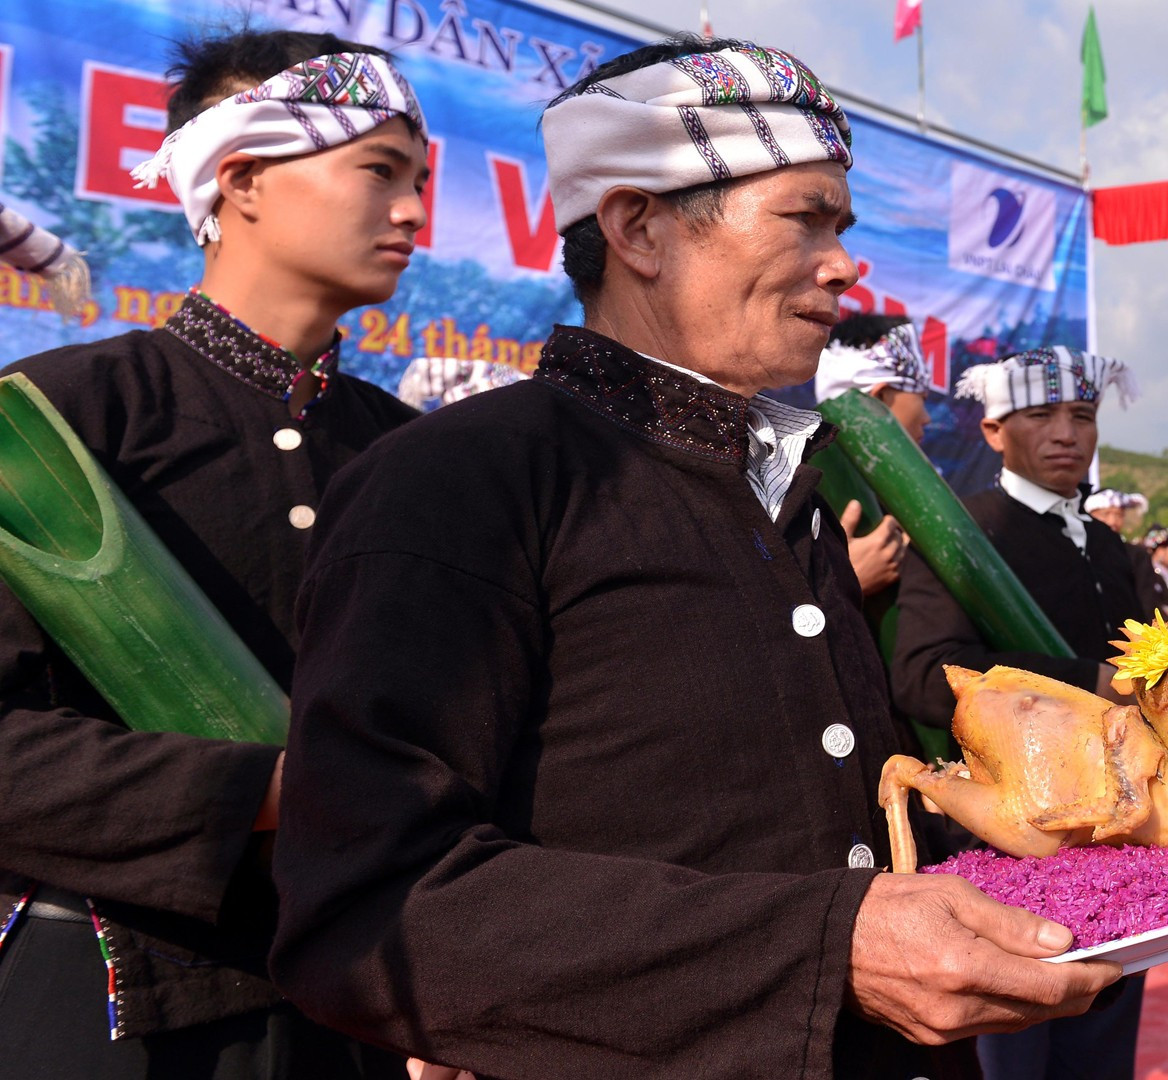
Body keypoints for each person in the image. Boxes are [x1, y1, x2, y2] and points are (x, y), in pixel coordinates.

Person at [268, 38, 1117, 1079]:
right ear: (639, 227)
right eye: (806, 217)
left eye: (842, 226)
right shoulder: (458, 485)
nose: (846, 265)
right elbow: (363, 910)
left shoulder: (784, 484)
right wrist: (826, 949)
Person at [0, 31, 426, 1079]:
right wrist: (271, 791)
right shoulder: (57, 417)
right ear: (240, 181)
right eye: (379, 171)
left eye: (420, 180)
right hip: (108, 1007)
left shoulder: (415, 459)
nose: (415, 212)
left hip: (371, 1001)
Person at [890, 346, 1145, 1080]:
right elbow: (922, 674)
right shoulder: (961, 533)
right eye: (1041, 415)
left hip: (1115, 842)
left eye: (1084, 415)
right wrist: (1085, 681)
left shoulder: (1108, 545)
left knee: (1101, 1047)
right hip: (1006, 849)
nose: (1067, 432)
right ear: (994, 430)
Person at [814, 312, 924, 597]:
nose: (926, 419)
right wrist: (850, 580)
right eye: (922, 400)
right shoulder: (793, 491)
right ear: (879, 398)